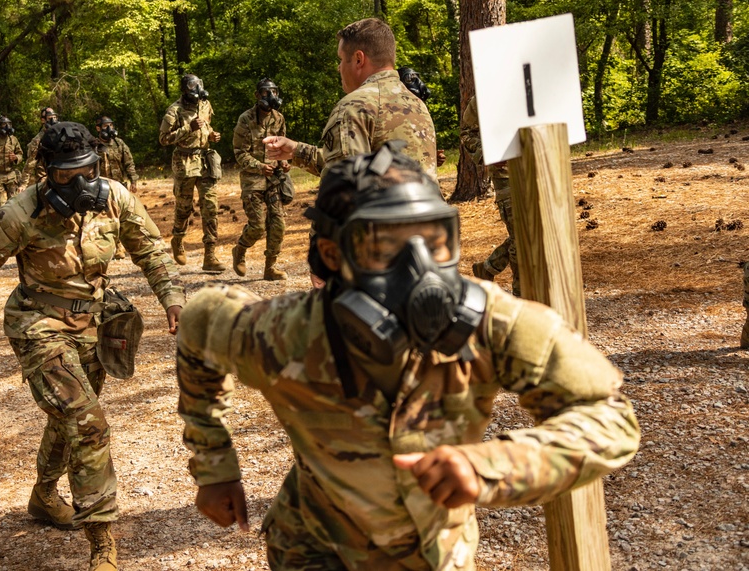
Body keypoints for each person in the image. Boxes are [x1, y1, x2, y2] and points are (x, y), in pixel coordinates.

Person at [177, 145, 640, 570]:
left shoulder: (489, 322)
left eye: (435, 241)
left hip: (436, 557)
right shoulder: (282, 334)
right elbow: (198, 322)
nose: (419, 268)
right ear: (332, 254)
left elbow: (609, 418)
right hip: (313, 550)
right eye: (384, 246)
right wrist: (214, 467)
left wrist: (493, 466)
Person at [0, 122, 185, 571]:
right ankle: (102, 544)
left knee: (68, 418)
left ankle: (42, 496)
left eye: (88, 170)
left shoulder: (114, 197)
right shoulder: (20, 213)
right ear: (46, 172)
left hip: (93, 322)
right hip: (38, 323)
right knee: (86, 420)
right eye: (65, 176)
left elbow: (150, 249)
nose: (80, 184)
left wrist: (172, 298)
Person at [263, 18, 437, 179]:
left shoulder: (354, 106)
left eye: (341, 59)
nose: (339, 68)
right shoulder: (416, 104)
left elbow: (342, 186)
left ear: (358, 59)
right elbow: (368, 164)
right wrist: (296, 150)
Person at [158, 74, 224, 272]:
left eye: (199, 85)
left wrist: (212, 135)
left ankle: (210, 256)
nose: (197, 89)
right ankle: (177, 239)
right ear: (185, 89)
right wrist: (188, 128)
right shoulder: (174, 110)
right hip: (184, 162)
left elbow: (207, 125)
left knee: (210, 207)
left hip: (205, 161)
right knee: (184, 208)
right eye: (192, 86)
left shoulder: (205, 104)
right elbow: (163, 139)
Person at [231, 78, 289, 281]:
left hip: (273, 179)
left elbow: (282, 146)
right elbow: (239, 152)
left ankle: (270, 267)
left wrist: (284, 162)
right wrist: (258, 166)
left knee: (278, 223)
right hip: (252, 181)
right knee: (257, 226)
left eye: (273, 91)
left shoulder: (278, 118)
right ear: (257, 95)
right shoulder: (245, 119)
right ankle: (239, 250)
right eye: (266, 92)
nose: (270, 96)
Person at [460, 96, 519, 297]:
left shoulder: (534, 82)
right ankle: (522, 296)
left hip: (540, 169)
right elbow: (467, 132)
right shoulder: (488, 93)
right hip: (507, 174)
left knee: (535, 231)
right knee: (520, 237)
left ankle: (487, 269)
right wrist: (489, 153)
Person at [95, 116, 139, 260]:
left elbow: (129, 163)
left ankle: (119, 246)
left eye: (111, 125)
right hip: (99, 186)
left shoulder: (119, 144)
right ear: (98, 128)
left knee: (118, 216)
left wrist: (133, 180)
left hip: (118, 185)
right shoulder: (93, 145)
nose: (109, 129)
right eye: (105, 126)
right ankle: (104, 247)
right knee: (100, 217)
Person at [25, 107, 59, 186]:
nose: (53, 120)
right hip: (44, 177)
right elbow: (30, 163)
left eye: (55, 117)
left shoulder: (61, 134)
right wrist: (23, 184)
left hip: (59, 174)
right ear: (43, 120)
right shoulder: (38, 139)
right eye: (50, 118)